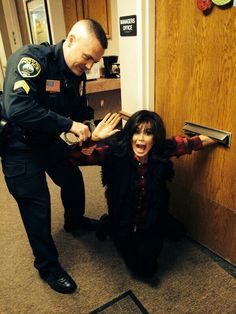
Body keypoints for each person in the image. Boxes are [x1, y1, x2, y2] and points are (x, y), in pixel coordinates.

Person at [1, 19, 111, 294]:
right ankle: (47, 266)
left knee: (72, 180)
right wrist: (69, 126)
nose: (89, 66)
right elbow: (17, 108)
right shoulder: (31, 60)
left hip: (48, 142)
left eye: (94, 62)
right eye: (87, 58)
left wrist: (91, 129)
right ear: (71, 39)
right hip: (18, 146)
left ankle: (75, 222)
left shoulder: (74, 73)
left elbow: (75, 108)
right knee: (37, 205)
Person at [69, 109, 217, 279]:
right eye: (136, 132)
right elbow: (75, 158)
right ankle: (108, 223)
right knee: (143, 271)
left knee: (176, 237)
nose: (140, 138)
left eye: (148, 133)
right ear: (129, 135)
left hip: (152, 215)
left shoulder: (161, 150)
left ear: (155, 138)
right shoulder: (115, 153)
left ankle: (162, 225)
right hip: (123, 219)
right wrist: (93, 139)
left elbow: (190, 143)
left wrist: (220, 136)